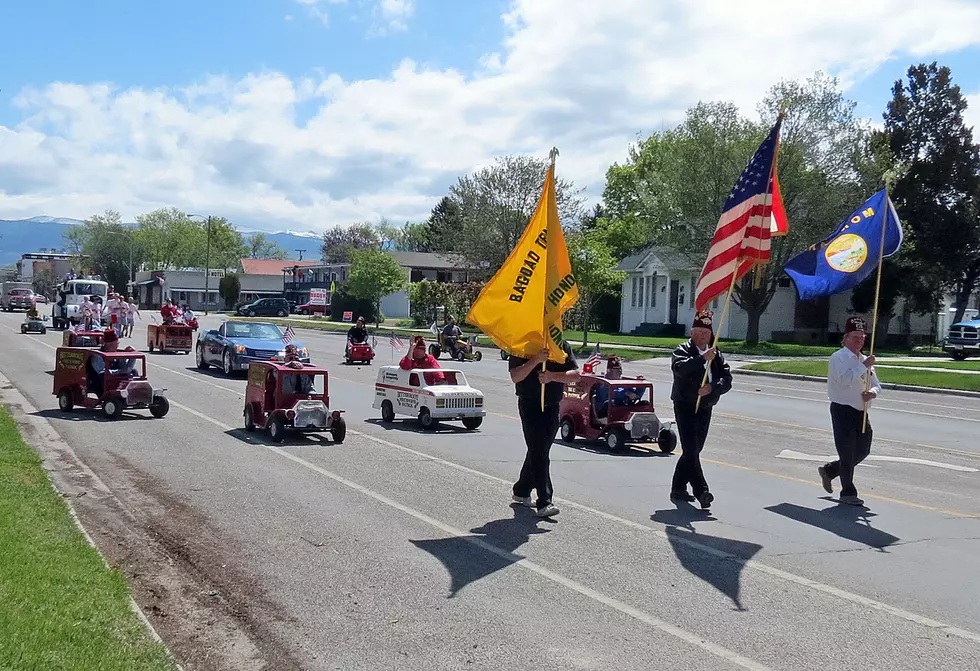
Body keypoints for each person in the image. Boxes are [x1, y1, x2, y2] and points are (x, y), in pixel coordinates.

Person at [508, 339, 580, 518]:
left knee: (538, 450)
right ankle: (544, 501)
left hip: (552, 405)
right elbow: (515, 376)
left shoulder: (560, 344)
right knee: (540, 452)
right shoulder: (521, 345)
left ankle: (522, 490)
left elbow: (576, 374)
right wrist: (536, 360)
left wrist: (552, 377)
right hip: (530, 404)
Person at [669, 309, 732, 510]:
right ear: (691, 333)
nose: (703, 336)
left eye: (706, 333)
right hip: (685, 405)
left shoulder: (716, 354)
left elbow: (727, 379)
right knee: (691, 449)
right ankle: (702, 491)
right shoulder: (682, 351)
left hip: (705, 406)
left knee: (694, 450)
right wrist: (702, 358)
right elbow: (680, 369)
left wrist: (712, 388)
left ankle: (678, 487)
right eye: (699, 332)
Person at [818, 316, 881, 507]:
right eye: (855, 337)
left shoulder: (865, 359)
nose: (859, 341)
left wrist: (872, 392)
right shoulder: (839, 358)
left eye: (862, 337)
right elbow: (844, 380)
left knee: (862, 450)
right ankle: (848, 492)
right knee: (847, 452)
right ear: (845, 338)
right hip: (842, 410)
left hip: (861, 412)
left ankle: (830, 471)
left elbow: (877, 384)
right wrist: (862, 366)